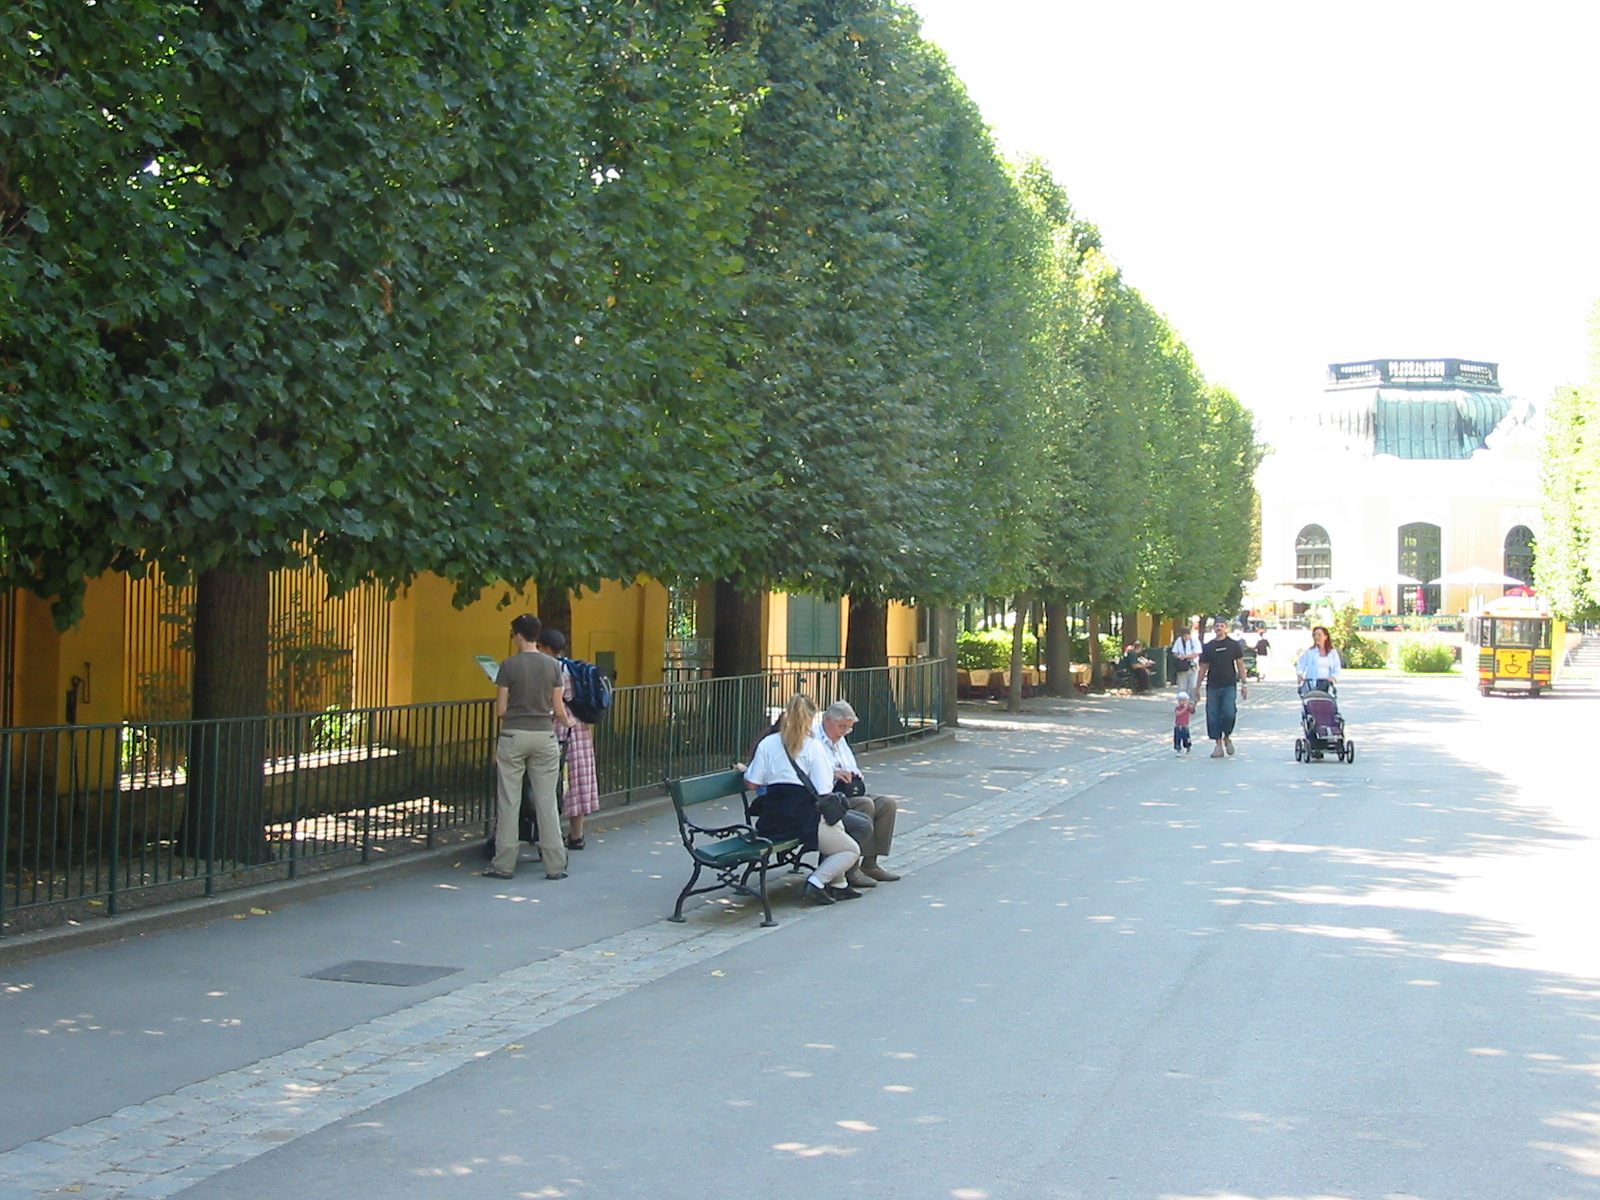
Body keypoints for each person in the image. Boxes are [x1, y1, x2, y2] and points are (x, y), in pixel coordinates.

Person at [744, 695, 861, 905]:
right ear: (812, 718)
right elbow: (824, 789)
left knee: (839, 826)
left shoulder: (768, 743)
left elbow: (753, 783)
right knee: (850, 850)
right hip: (803, 819)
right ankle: (816, 882)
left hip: (772, 818)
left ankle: (840, 884)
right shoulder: (813, 746)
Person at [486, 614, 575, 880]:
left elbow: (501, 710)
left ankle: (504, 864)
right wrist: (568, 721)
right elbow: (559, 709)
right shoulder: (553, 666)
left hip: (513, 735)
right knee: (547, 800)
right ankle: (555, 864)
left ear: (517, 635)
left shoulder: (508, 666)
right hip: (544, 736)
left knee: (509, 800)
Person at [814, 700, 900, 888]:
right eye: (841, 726)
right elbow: (814, 772)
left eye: (848, 728)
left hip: (847, 792)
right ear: (827, 720)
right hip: (829, 797)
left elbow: (851, 765)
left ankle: (870, 863)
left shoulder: (840, 740)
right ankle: (851, 869)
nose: (844, 732)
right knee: (865, 805)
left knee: (886, 804)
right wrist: (834, 773)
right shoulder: (814, 740)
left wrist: (852, 774)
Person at [534, 628, 599, 851]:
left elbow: (552, 702)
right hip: (580, 728)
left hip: (560, 728)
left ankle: (550, 835)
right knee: (578, 781)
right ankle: (577, 835)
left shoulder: (551, 670)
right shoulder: (573, 667)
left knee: (556, 782)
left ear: (544, 647)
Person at [1197, 617, 1248, 758]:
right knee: (1212, 715)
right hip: (1213, 685)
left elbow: (1240, 664)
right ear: (1213, 628)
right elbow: (1203, 668)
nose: (1219, 628)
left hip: (1229, 684)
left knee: (1229, 713)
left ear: (1226, 628)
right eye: (1217, 626)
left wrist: (1244, 684)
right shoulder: (1208, 647)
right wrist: (1197, 688)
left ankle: (1227, 737)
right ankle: (1218, 745)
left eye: (1221, 626)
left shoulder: (1233, 645)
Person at [1296, 625, 1342, 693]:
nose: (1316, 637)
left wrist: (1333, 677)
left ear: (1325, 637)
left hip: (1327, 684)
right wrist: (1300, 674)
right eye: (1315, 635)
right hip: (1311, 684)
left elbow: (1337, 667)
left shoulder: (1332, 653)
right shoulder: (1310, 652)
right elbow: (1301, 664)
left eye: (1319, 635)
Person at [1170, 623, 1202, 695]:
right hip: (1182, 666)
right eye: (1184, 636)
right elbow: (1174, 652)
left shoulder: (1195, 641)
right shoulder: (1179, 641)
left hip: (1193, 666)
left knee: (1193, 686)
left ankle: (1191, 703)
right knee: (1182, 687)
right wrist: (1179, 656)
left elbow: (1196, 653)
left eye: (1187, 635)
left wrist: (1185, 656)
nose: (1185, 637)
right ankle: (1183, 702)